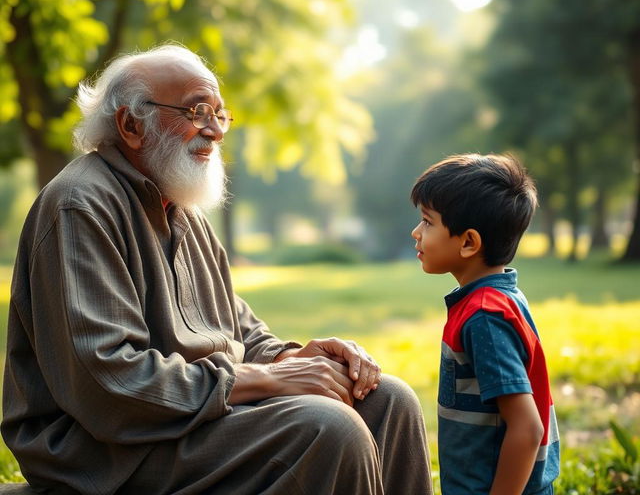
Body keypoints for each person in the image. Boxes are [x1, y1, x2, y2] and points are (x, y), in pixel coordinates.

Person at [2, 44, 432, 495]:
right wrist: (268, 379)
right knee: (329, 427)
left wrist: (295, 359)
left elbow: (237, 331)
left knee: (388, 401)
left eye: (220, 114)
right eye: (197, 111)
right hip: (105, 452)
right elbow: (111, 383)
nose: (215, 130)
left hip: (189, 419)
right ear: (131, 125)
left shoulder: (182, 211)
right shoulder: (80, 204)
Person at [410, 154, 559, 495]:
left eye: (428, 222)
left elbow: (526, 427)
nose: (416, 232)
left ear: (468, 242)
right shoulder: (498, 298)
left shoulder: (485, 316)